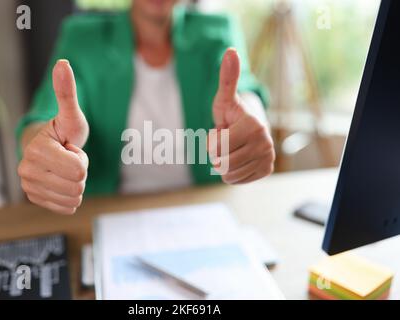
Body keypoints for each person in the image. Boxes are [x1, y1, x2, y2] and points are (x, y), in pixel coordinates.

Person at [16, 0, 275, 215]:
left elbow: (243, 90)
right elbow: (44, 116)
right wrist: (41, 147)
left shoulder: (219, 30)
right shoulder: (82, 38)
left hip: (202, 210)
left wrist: (253, 118)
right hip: (109, 215)